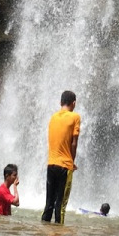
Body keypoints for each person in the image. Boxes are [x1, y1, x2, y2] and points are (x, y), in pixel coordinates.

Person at [41, 90, 80, 224]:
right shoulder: (75, 117)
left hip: (51, 164)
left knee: (49, 203)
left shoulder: (53, 117)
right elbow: (74, 143)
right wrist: (72, 162)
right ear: (73, 103)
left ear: (60, 102)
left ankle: (43, 232)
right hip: (65, 165)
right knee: (61, 205)